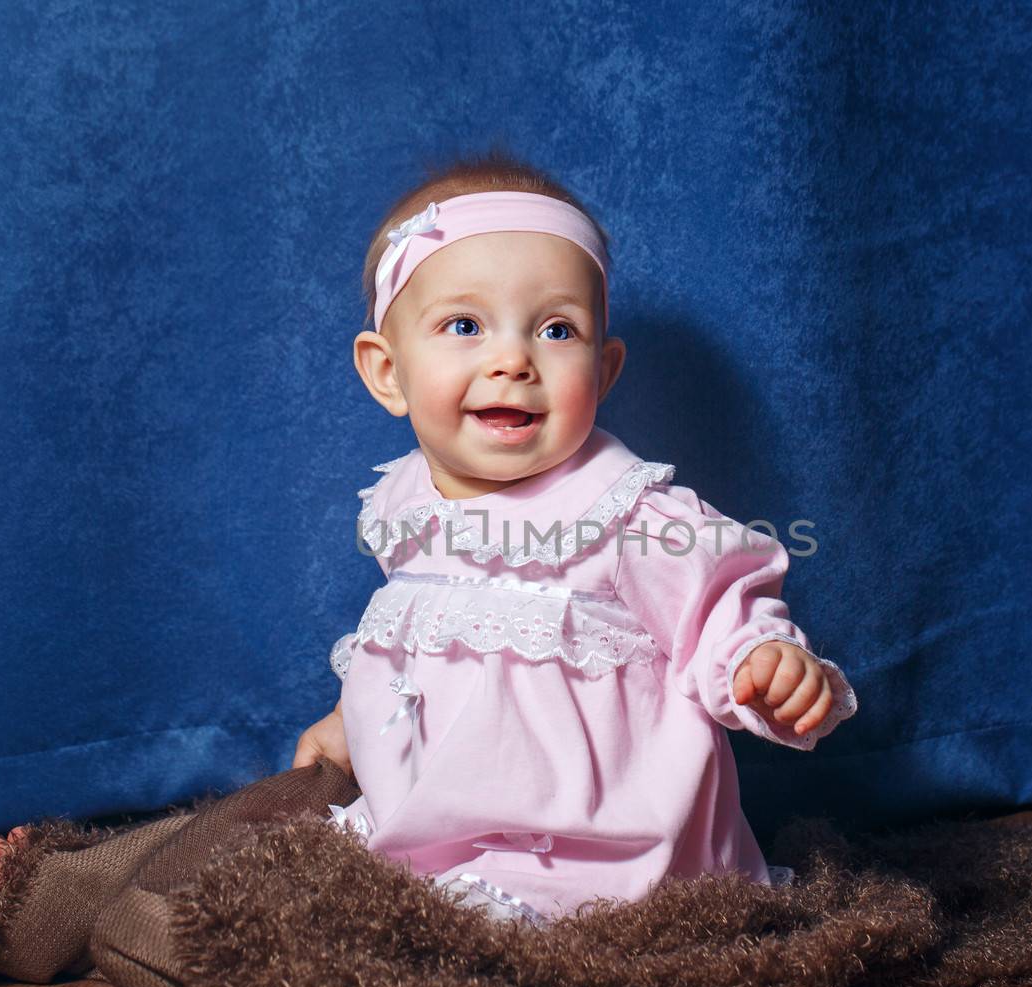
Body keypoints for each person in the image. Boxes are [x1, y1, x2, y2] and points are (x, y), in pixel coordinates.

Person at [284, 151, 859, 926]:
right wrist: (349, 724)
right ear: (388, 372)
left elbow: (720, 605)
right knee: (300, 864)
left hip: (596, 844)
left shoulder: (625, 515)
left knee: (474, 930)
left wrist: (762, 661)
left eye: (557, 329)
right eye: (464, 325)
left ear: (605, 368)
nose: (513, 359)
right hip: (438, 823)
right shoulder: (403, 503)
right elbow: (422, 648)